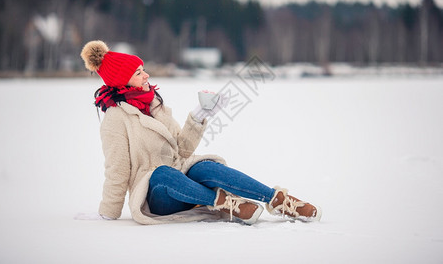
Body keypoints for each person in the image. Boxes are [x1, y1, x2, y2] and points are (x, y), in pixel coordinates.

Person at [80, 40, 322, 225]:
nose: (147, 75)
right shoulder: (115, 119)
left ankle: (277, 200)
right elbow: (117, 169)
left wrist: (199, 115)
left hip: (182, 179)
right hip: (156, 196)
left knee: (204, 166)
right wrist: (108, 213)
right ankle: (223, 202)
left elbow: (182, 149)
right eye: (138, 73)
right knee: (162, 173)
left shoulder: (155, 105)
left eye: (144, 69)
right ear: (123, 80)